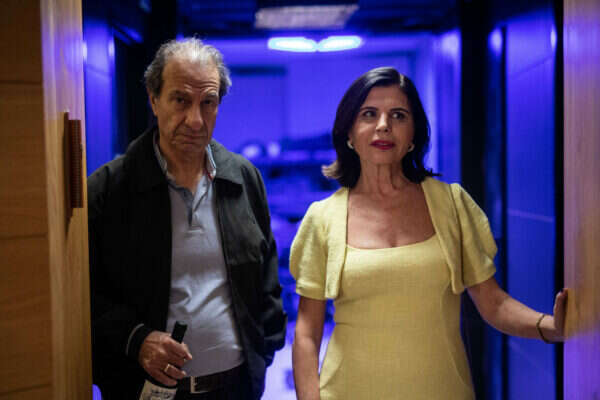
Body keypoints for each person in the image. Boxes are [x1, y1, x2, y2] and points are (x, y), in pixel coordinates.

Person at [289, 67, 567, 400]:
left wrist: (551, 327)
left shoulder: (451, 205)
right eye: (369, 114)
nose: (383, 125)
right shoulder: (323, 218)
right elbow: (307, 332)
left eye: (398, 115)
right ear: (349, 133)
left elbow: (494, 304)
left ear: (413, 136)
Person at [88, 37, 286, 399]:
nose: (195, 120)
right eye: (180, 100)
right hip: (148, 390)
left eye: (207, 102)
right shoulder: (108, 189)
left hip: (236, 388)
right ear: (153, 99)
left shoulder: (243, 178)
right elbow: (84, 294)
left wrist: (264, 348)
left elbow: (266, 278)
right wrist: (136, 339)